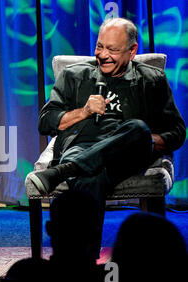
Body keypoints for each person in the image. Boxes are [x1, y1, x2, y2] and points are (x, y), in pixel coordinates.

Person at [29, 17, 185, 256]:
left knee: (138, 128)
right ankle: (85, 261)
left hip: (128, 154)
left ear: (132, 51)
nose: (102, 55)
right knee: (93, 174)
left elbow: (176, 131)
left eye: (112, 49)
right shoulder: (74, 76)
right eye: (99, 46)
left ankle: (63, 172)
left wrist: (145, 141)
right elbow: (45, 122)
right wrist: (84, 111)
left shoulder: (151, 80)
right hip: (80, 148)